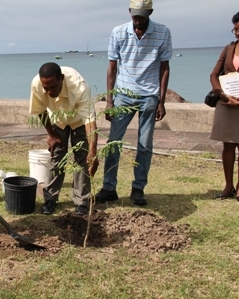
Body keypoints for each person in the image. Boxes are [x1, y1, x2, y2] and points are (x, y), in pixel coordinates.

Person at [95, 0, 172, 206]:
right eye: (134, 15)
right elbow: (112, 67)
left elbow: (164, 68)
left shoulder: (163, 32)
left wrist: (161, 101)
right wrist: (109, 100)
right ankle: (109, 188)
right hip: (123, 94)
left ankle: (138, 188)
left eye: (141, 15)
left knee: (145, 145)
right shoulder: (118, 32)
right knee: (113, 143)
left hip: (149, 95)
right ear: (129, 12)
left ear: (150, 13)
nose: (137, 19)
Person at [29, 62, 99, 216]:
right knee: (57, 157)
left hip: (79, 120)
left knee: (82, 158)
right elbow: (41, 111)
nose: (49, 91)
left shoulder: (79, 87)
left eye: (53, 87)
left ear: (62, 78)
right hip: (58, 118)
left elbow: (90, 122)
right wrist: (51, 135)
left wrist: (93, 152)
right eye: (46, 88)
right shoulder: (37, 85)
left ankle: (81, 201)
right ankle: (50, 198)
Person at [209, 12, 239, 200]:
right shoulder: (228, 49)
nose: (236, 33)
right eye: (235, 29)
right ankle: (228, 185)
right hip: (227, 104)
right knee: (228, 146)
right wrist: (221, 94)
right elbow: (214, 75)